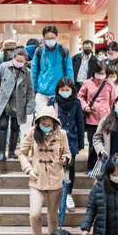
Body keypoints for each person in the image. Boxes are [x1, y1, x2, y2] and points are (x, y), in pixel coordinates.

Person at [18, 106, 71, 235]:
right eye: (43, 124)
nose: (46, 127)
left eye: (49, 125)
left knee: (52, 215)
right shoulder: (33, 132)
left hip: (55, 178)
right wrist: (28, 169)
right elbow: (21, 153)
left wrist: (66, 158)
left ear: (54, 123)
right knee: (34, 213)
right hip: (36, 179)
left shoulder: (61, 134)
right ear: (39, 122)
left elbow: (67, 152)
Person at [0, 47, 34, 162]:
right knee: (2, 126)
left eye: (22, 61)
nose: (19, 63)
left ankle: (12, 152)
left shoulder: (27, 72)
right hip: (3, 102)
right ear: (13, 57)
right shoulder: (4, 67)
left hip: (18, 103)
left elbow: (30, 90)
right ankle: (1, 153)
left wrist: (30, 105)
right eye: (18, 60)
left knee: (15, 127)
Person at [48, 77, 85, 210]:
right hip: (55, 140)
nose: (65, 92)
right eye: (62, 90)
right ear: (58, 90)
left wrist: (81, 143)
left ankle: (68, 194)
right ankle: (57, 195)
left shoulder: (76, 103)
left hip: (72, 138)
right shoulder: (53, 102)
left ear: (72, 90)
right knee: (57, 167)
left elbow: (80, 122)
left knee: (70, 166)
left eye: (67, 90)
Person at [78, 61, 117, 173]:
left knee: (106, 144)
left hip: (106, 120)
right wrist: (85, 107)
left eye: (103, 73)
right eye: (98, 73)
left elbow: (113, 101)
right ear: (94, 72)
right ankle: (91, 167)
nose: (101, 76)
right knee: (92, 144)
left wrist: (111, 116)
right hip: (92, 120)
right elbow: (80, 97)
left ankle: (104, 167)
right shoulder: (87, 83)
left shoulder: (109, 84)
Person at [31, 25, 74, 111]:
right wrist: (34, 88)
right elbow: (34, 71)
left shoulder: (64, 51)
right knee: (41, 118)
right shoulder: (39, 51)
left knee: (58, 118)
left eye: (52, 38)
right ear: (44, 38)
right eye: (47, 38)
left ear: (56, 37)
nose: (50, 40)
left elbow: (69, 71)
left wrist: (70, 88)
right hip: (42, 92)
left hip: (59, 92)